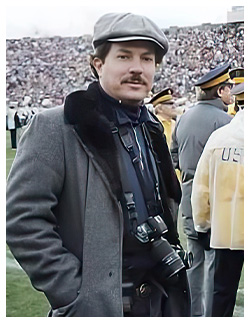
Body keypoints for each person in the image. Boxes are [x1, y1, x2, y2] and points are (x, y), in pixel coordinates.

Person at [6, 13, 191, 317]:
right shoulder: (57, 126)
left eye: (147, 59)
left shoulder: (151, 127)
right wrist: (75, 292)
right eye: (124, 56)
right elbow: (22, 220)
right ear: (98, 64)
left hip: (160, 301)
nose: (137, 67)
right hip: (101, 308)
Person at [170, 62, 234, 317]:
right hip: (217, 203)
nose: (231, 93)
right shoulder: (227, 122)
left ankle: (192, 315)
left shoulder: (184, 118)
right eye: (229, 88)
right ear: (219, 92)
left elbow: (173, 157)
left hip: (189, 201)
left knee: (194, 264)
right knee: (213, 267)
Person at [191, 82, 244, 316]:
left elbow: (201, 190)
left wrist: (202, 225)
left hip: (228, 233)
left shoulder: (220, 138)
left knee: (221, 294)